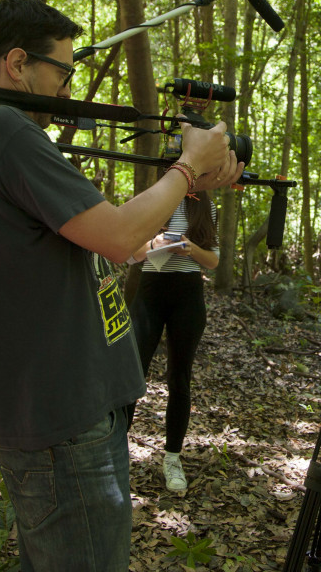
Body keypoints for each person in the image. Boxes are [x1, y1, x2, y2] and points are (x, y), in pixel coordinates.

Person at [0, 0, 242, 572]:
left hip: (71, 401)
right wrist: (184, 168)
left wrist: (198, 181)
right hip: (59, 410)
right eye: (61, 71)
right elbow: (117, 235)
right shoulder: (5, 129)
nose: (66, 89)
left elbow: (124, 239)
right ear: (16, 63)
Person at [129, 192, 219, 493]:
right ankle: (114, 453)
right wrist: (157, 243)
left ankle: (172, 458)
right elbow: (131, 253)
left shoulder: (206, 205)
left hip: (188, 295)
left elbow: (213, 259)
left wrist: (190, 248)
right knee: (133, 371)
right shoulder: (155, 199)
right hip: (152, 290)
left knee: (179, 378)